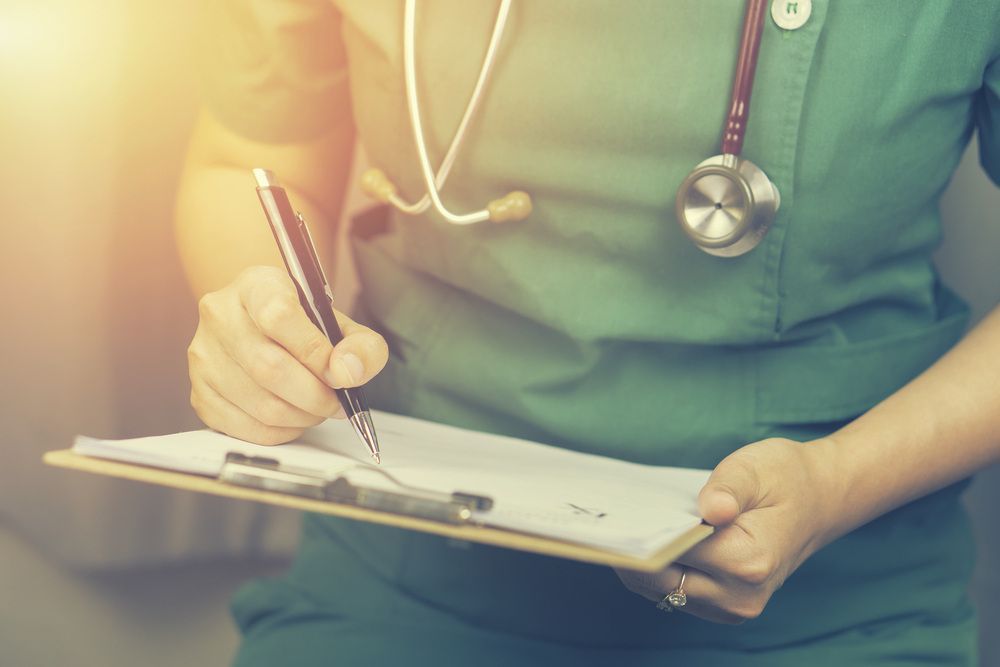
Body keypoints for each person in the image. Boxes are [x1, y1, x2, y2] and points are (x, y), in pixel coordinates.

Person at [176, 1, 1000, 664]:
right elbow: (249, 153)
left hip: (835, 591)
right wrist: (265, 322)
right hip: (409, 561)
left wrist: (837, 483)